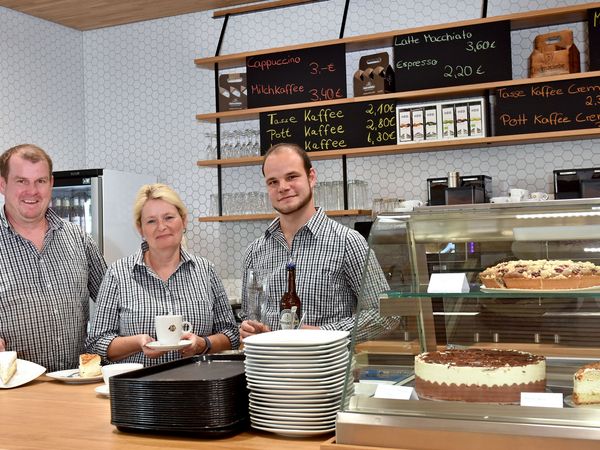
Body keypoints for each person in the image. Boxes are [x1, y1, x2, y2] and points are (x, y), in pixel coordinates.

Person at [239, 143, 394, 340]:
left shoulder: (348, 242)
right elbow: (247, 317)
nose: (283, 187)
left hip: (326, 370)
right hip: (267, 369)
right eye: (273, 182)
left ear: (311, 177)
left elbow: (386, 314)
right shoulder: (254, 252)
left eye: (292, 177)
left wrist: (323, 333)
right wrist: (249, 329)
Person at [86, 183, 239, 365]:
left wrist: (202, 344)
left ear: (183, 220)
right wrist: (137, 342)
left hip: (196, 386)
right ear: (140, 228)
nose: (161, 226)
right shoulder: (117, 274)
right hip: (139, 389)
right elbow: (96, 344)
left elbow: (231, 333)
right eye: (151, 221)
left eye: (169, 217)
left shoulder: (206, 271)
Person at [0, 144, 107, 371]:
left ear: (51, 184)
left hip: (75, 383)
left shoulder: (79, 239)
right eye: (21, 181)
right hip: (12, 391)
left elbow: (114, 302)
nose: (32, 191)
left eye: (40, 181)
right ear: (2, 184)